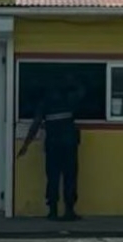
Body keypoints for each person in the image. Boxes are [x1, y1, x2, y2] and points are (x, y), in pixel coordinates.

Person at [18, 75, 84, 221]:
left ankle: (53, 211)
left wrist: (26, 145)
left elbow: (35, 125)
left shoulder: (44, 104)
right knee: (70, 178)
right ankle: (69, 211)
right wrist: (74, 81)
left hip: (53, 146)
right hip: (69, 145)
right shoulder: (69, 100)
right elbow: (82, 92)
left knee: (53, 178)